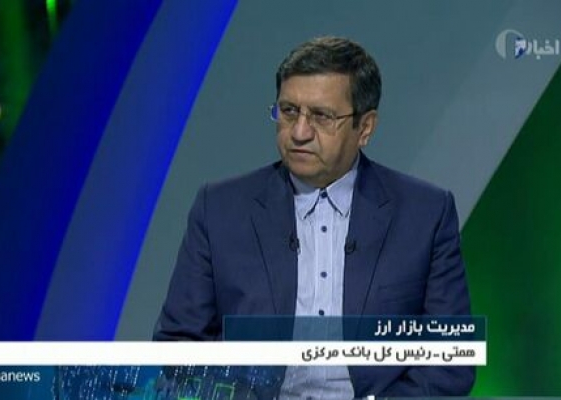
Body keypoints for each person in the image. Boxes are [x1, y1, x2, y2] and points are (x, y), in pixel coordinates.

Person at [154, 36, 474, 398]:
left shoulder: (425, 214)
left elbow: (450, 362)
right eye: (289, 111)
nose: (300, 132)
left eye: (322, 116)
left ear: (365, 128)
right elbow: (178, 347)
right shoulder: (219, 209)